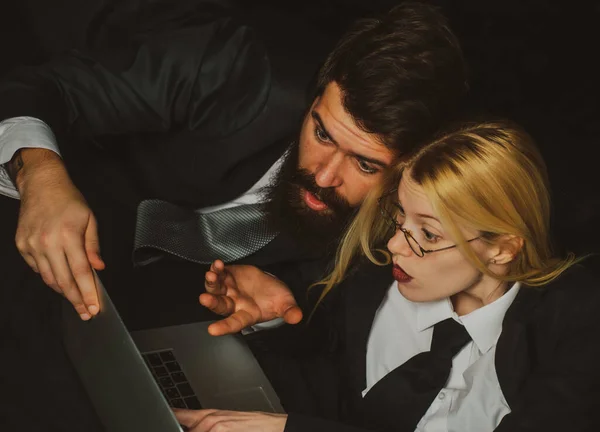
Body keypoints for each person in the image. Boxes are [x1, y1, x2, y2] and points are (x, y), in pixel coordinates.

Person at [183, 120, 600, 432]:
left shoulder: (576, 318)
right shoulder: (377, 284)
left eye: (429, 235)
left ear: (502, 248)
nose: (396, 246)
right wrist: (275, 314)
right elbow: (324, 341)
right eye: (400, 219)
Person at [0, 0, 466, 327]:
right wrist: (41, 174)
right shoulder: (226, 70)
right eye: (321, 133)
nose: (324, 176)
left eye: (365, 165)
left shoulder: (406, 226)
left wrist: (272, 302)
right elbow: (39, 90)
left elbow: (325, 307)